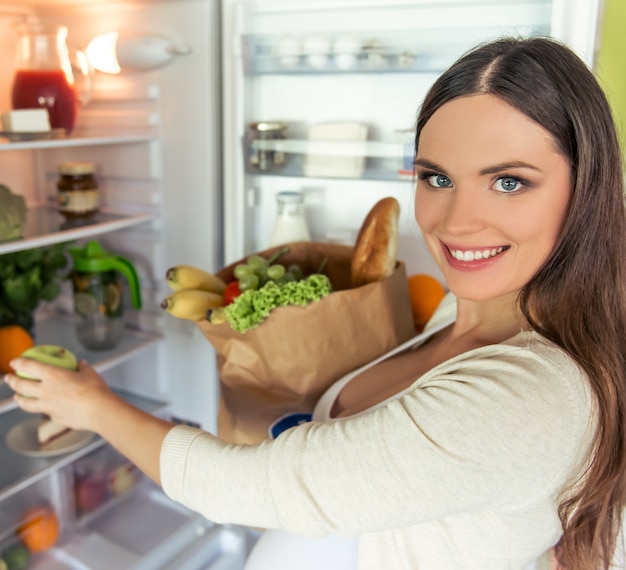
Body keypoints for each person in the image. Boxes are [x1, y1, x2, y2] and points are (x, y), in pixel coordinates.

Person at [5, 35, 626, 570]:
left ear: (586, 189)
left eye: (509, 181)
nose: (457, 222)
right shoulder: (455, 312)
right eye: (438, 177)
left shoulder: (531, 394)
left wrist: (95, 406)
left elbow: (252, 487)